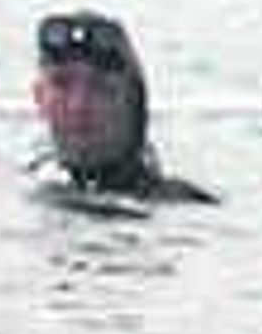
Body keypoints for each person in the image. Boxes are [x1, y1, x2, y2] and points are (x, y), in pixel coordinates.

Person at [30, 10, 216, 204]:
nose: (78, 106)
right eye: (61, 84)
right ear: (39, 98)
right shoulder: (33, 186)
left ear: (132, 102)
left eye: (100, 88)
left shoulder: (179, 204)